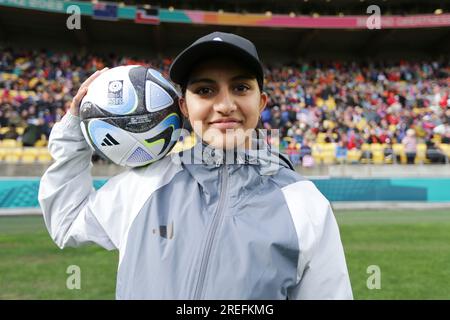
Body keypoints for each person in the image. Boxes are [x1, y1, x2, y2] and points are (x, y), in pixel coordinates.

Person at [38, 32, 352, 299]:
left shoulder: (305, 204)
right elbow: (66, 222)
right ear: (184, 107)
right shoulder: (145, 183)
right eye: (205, 90)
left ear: (262, 102)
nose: (225, 105)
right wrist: (74, 130)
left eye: (241, 88)